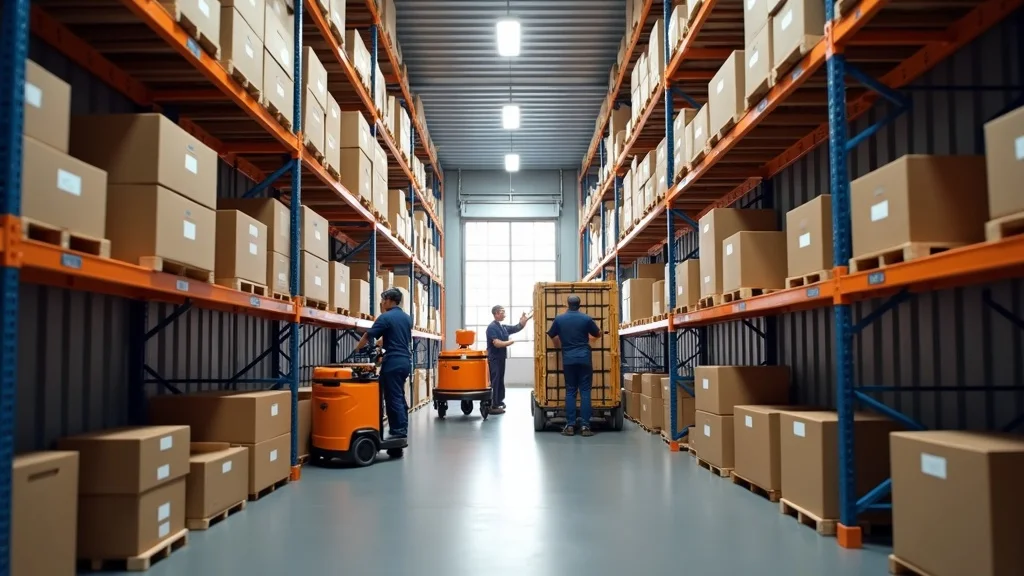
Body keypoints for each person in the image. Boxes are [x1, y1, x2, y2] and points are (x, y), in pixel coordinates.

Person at [356, 288, 413, 439]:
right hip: (405, 361)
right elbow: (396, 336)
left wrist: (357, 350)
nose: (382, 303)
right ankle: (402, 427)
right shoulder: (407, 318)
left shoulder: (385, 317)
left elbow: (368, 335)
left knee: (392, 397)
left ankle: (398, 432)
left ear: (389, 300)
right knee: (399, 395)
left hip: (392, 363)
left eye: (383, 300)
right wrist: (381, 344)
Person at [546, 295, 602, 437]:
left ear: (567, 304)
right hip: (584, 359)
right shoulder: (586, 319)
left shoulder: (559, 319)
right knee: (585, 392)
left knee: (570, 391)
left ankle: (570, 426)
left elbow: (551, 334)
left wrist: (558, 345)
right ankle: (585, 426)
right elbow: (598, 333)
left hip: (568, 359)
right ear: (580, 304)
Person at [485, 305, 530, 415]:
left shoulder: (502, 326)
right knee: (495, 380)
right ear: (496, 313)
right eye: (502, 312)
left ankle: (499, 400)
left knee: (500, 379)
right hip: (494, 358)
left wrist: (524, 321)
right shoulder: (491, 328)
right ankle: (493, 405)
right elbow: (496, 343)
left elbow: (516, 328)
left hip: (501, 358)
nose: (504, 314)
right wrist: (509, 342)